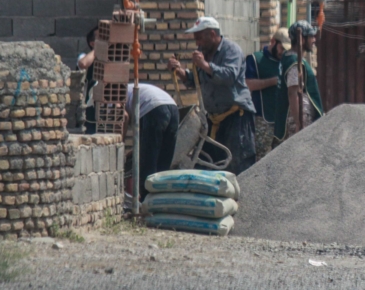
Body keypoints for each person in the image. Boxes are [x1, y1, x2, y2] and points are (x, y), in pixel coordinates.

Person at [167, 17, 257, 174]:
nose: (197, 44)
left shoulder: (231, 50)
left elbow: (229, 76)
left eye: (200, 38)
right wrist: (180, 72)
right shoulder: (204, 54)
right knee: (207, 162)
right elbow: (196, 79)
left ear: (213, 34)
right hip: (214, 119)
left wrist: (205, 65)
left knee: (238, 163)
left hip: (236, 117)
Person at [122, 83, 179, 201]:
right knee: (163, 166)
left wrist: (120, 145)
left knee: (148, 166)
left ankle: (146, 204)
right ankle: (161, 204)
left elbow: (124, 116)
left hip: (153, 108)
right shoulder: (129, 88)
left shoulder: (108, 96)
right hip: (173, 107)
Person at [274, 20, 324, 143]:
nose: (314, 40)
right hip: (297, 119)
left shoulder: (289, 57)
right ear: (301, 39)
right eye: (311, 36)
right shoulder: (294, 62)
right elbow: (293, 93)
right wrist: (299, 123)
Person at [245, 27, 291, 160]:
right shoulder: (255, 59)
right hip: (262, 120)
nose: (283, 53)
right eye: (282, 48)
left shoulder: (287, 61)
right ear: (273, 42)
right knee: (261, 159)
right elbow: (249, 84)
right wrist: (274, 81)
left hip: (283, 120)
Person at [76, 27, 98, 135]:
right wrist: (98, 49)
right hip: (88, 107)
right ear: (92, 43)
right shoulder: (85, 56)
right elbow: (83, 64)